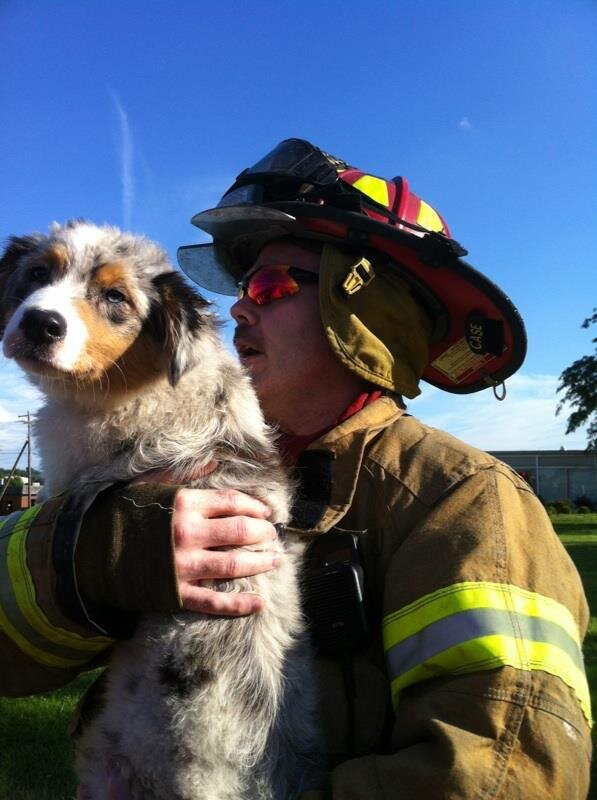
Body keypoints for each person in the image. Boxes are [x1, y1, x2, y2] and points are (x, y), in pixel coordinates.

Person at [0, 139, 591, 799]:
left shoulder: (464, 500)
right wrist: (92, 553)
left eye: (271, 285)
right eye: (244, 287)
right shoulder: (172, 471)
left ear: (362, 315)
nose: (236, 310)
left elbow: (499, 775)